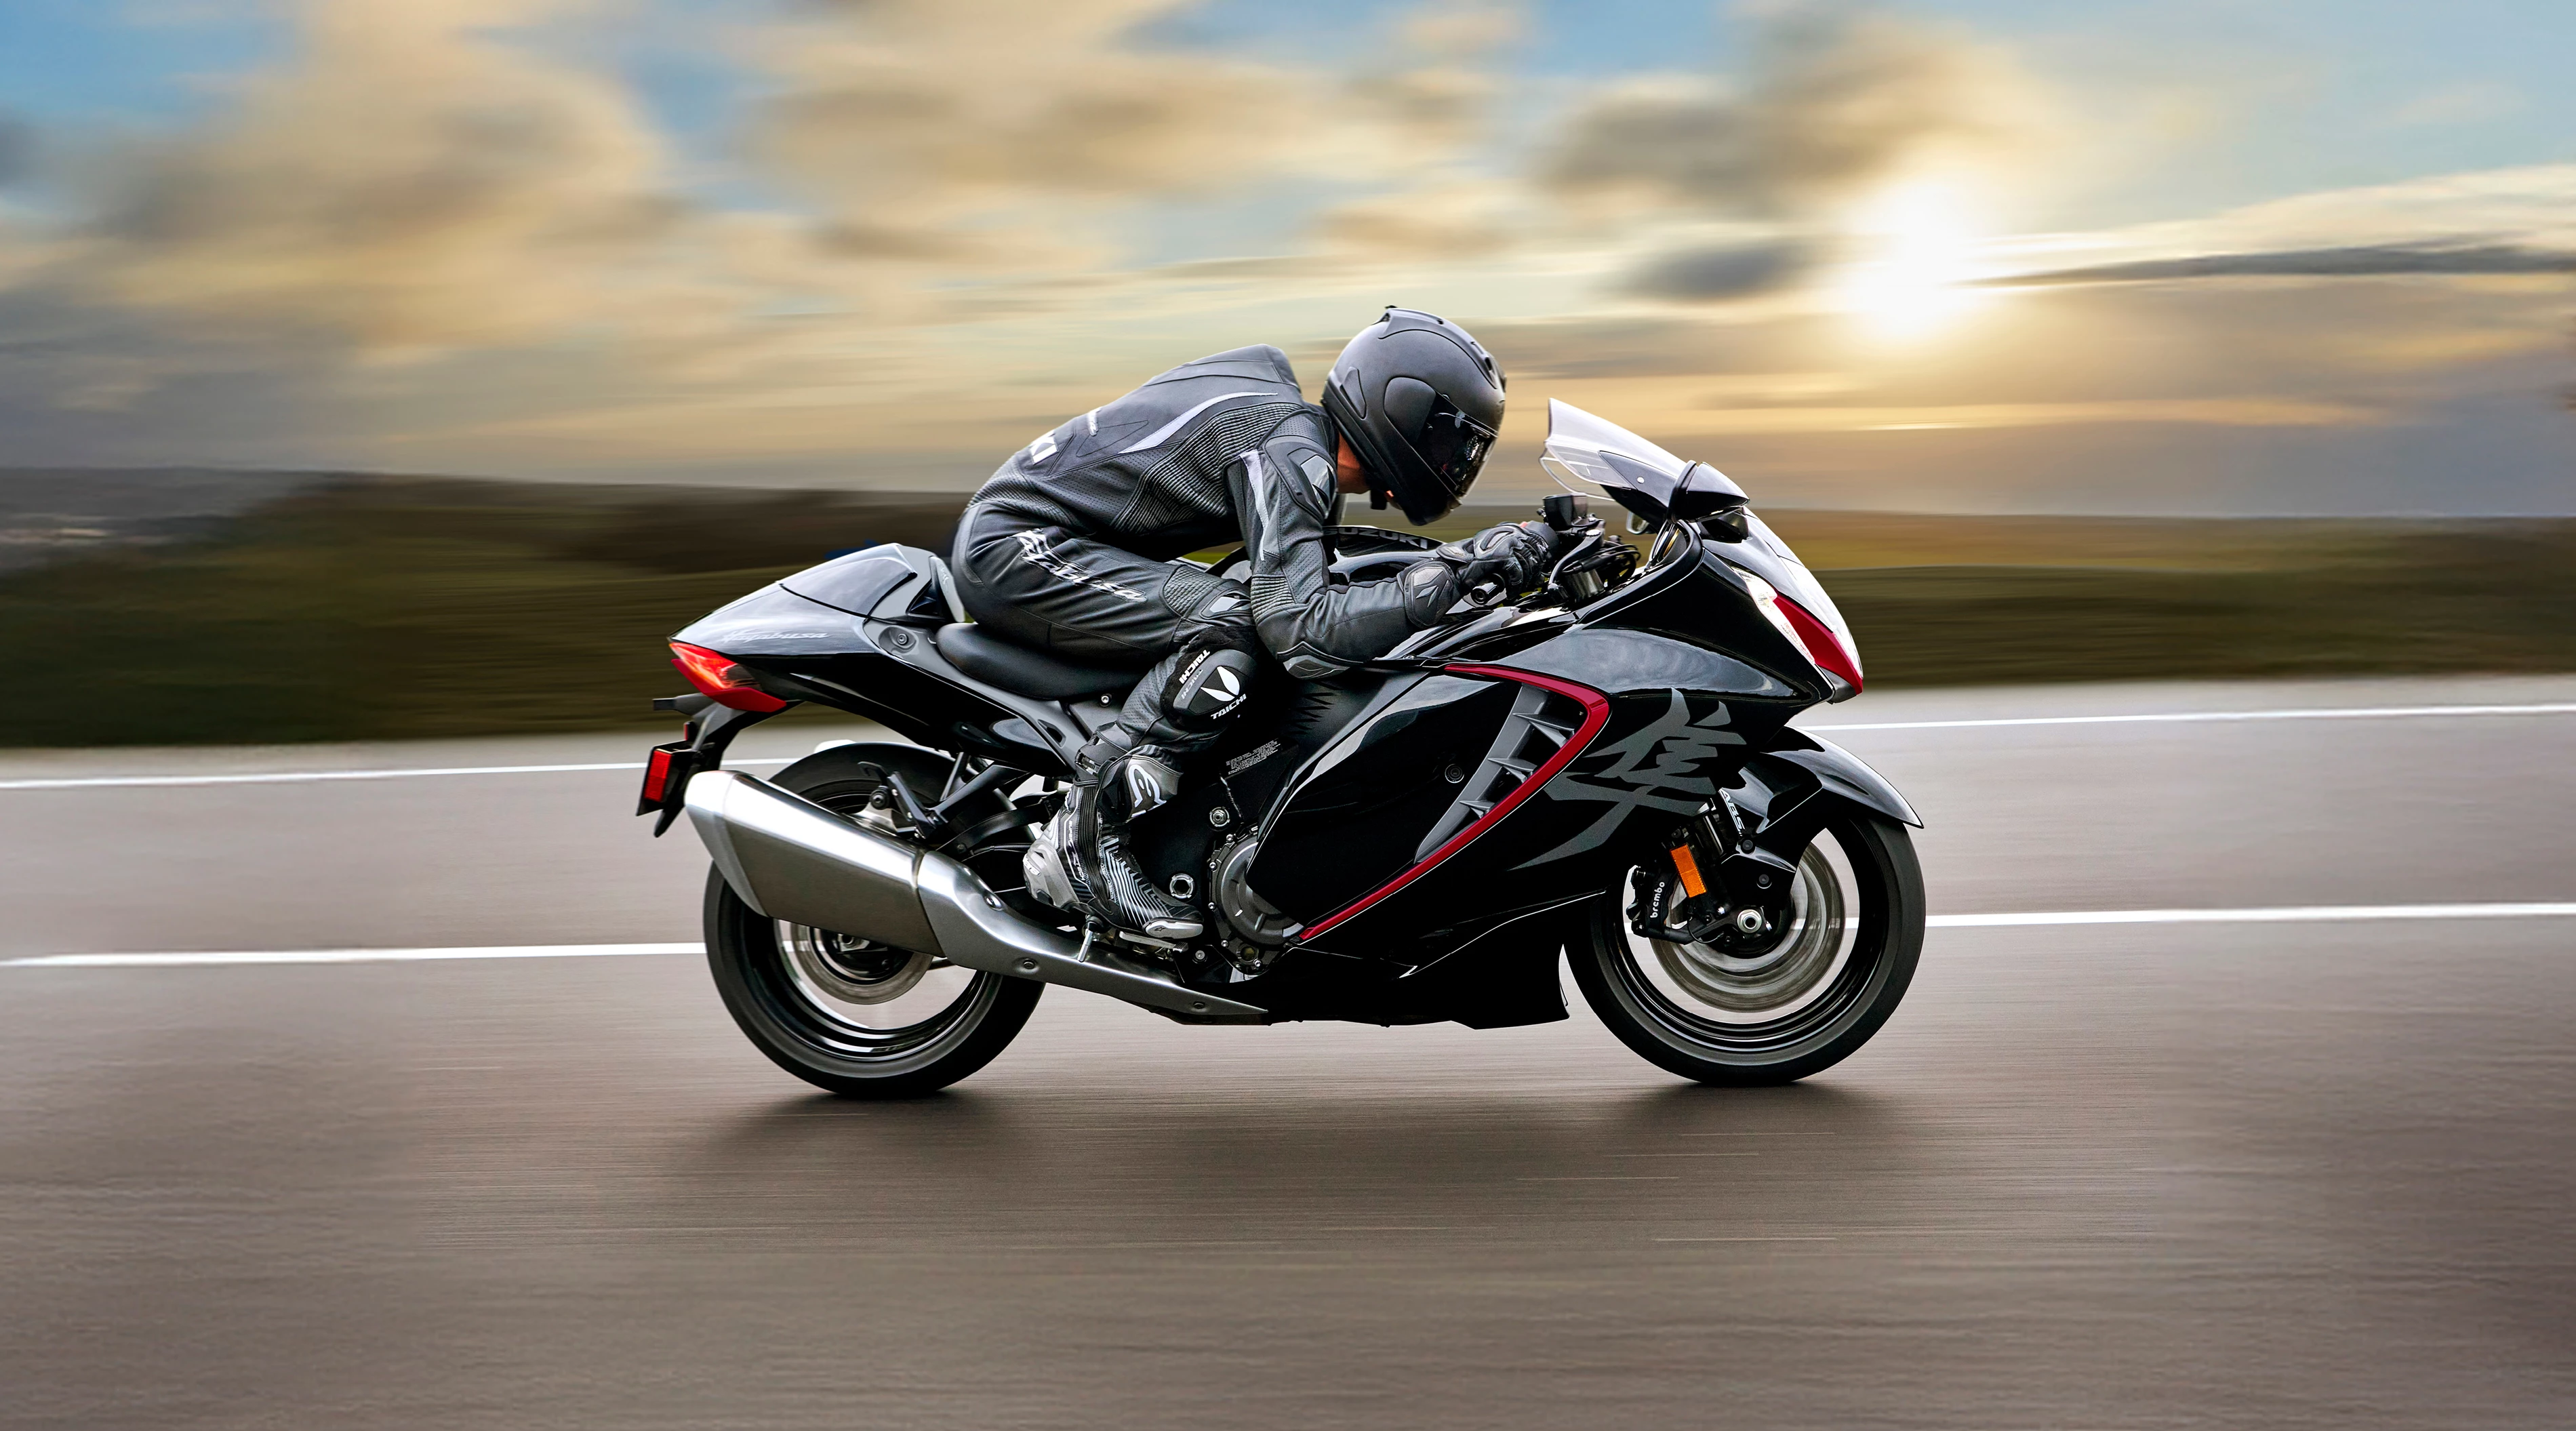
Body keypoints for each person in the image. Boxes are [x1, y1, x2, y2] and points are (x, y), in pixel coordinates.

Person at [952, 307, 1561, 942]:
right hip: (1018, 546)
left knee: (1245, 615)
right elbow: (1299, 629)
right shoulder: (1288, 444)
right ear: (1401, 408)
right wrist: (1454, 570)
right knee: (1235, 625)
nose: (1460, 459)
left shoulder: (1289, 432)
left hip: (1043, 543)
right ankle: (1086, 836)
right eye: (1454, 440)